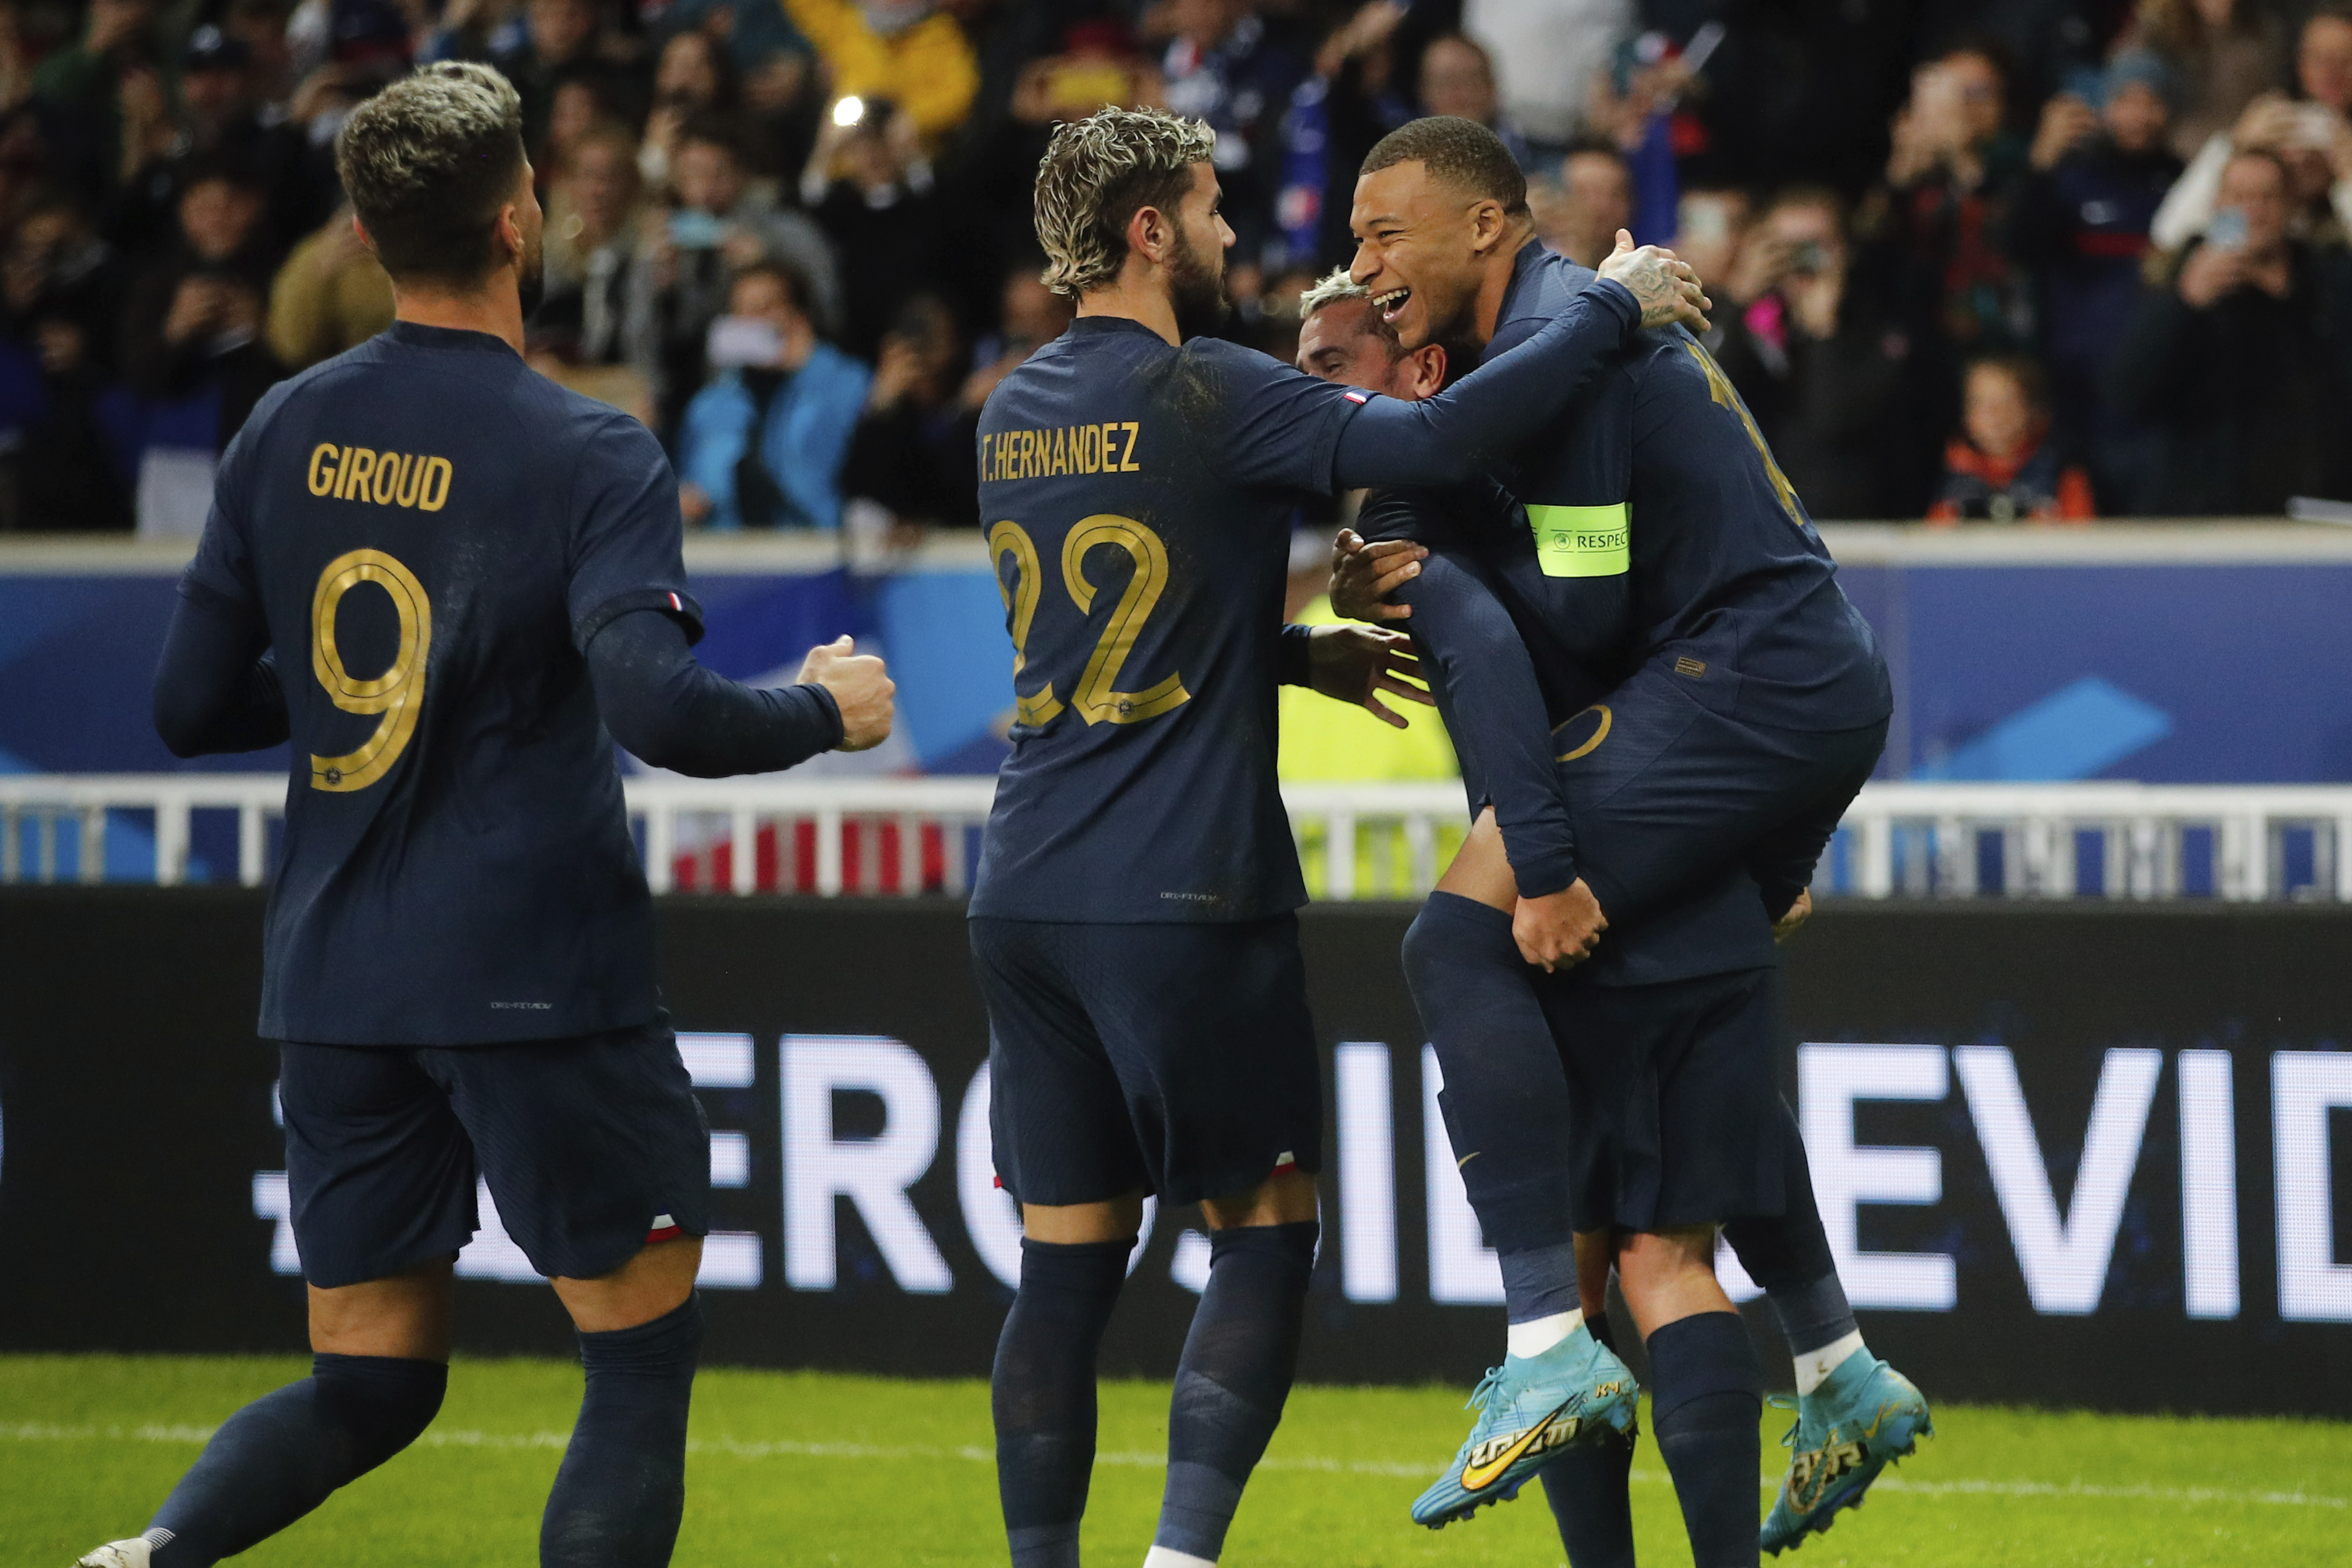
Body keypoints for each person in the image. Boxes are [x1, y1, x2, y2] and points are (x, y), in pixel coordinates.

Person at [79, 61, 896, 1568]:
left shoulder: (283, 428)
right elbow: (664, 714)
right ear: (520, 219)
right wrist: (821, 713)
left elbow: (190, 710)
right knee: (635, 1362)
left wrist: (381, 700)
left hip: (335, 979)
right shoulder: (587, 450)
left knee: (368, 1385)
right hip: (535, 969)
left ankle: (159, 1552)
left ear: (367, 232)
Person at [969, 103, 1706, 1568]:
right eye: (1211, 206)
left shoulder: (1012, 407)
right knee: (1260, 1235)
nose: (1234, 233)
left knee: (1062, 1273)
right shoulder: (1214, 390)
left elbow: (1131, 629)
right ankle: (1181, 1562)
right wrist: (1614, 305)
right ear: (1147, 231)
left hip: (1024, 888)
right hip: (1184, 888)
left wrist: (1298, 656)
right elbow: (1438, 430)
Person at [1338, 115, 1925, 1560]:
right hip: (1774, 696)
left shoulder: (1566, 345)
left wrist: (1447, 566)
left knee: (1459, 936)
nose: (1364, 264)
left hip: (1738, 687)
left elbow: (1588, 608)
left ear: (1486, 224)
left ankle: (1543, 1340)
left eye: (1383, 234)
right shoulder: (1541, 346)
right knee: (1658, 1216)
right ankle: (1833, 1362)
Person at [2109, 146, 2352, 514]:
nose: (2253, 210)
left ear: (2289, 204)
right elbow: (2127, 394)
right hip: (2216, 529)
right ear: (2217, 205)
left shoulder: (2330, 283)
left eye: (2266, 196)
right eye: (2240, 197)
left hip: (2320, 522)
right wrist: (2185, 304)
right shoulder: (2180, 283)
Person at [2009, 50, 2183, 512]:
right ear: (2105, 107)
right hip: (2079, 406)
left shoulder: (2186, 186)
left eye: (2154, 101)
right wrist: (2040, 165)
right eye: (2126, 100)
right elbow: (2016, 244)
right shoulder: (2071, 180)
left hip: (2161, 411)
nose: (2140, 115)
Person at [1714, 185, 1936, 519]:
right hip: (1755, 525)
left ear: (1844, 251)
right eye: (1783, 248)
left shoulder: (1881, 330)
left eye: (1812, 247)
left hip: (1853, 531)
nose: (1798, 261)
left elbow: (1831, 424)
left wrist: (1823, 332)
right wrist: (1738, 297)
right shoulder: (1742, 322)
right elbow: (1705, 401)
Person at [673, 258, 871, 530]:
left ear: (799, 316)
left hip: (813, 552)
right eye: (743, 312)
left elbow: (825, 483)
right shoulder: (709, 405)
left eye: (765, 309)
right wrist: (688, 503)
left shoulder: (846, 384)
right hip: (730, 560)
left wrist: (807, 369)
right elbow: (693, 486)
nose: (752, 323)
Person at [1928, 353, 2093, 524]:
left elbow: (2081, 541)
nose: (1995, 417)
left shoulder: (2064, 472)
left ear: (2034, 410)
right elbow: (1931, 542)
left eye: (2008, 403)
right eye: (1981, 404)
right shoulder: (1951, 472)